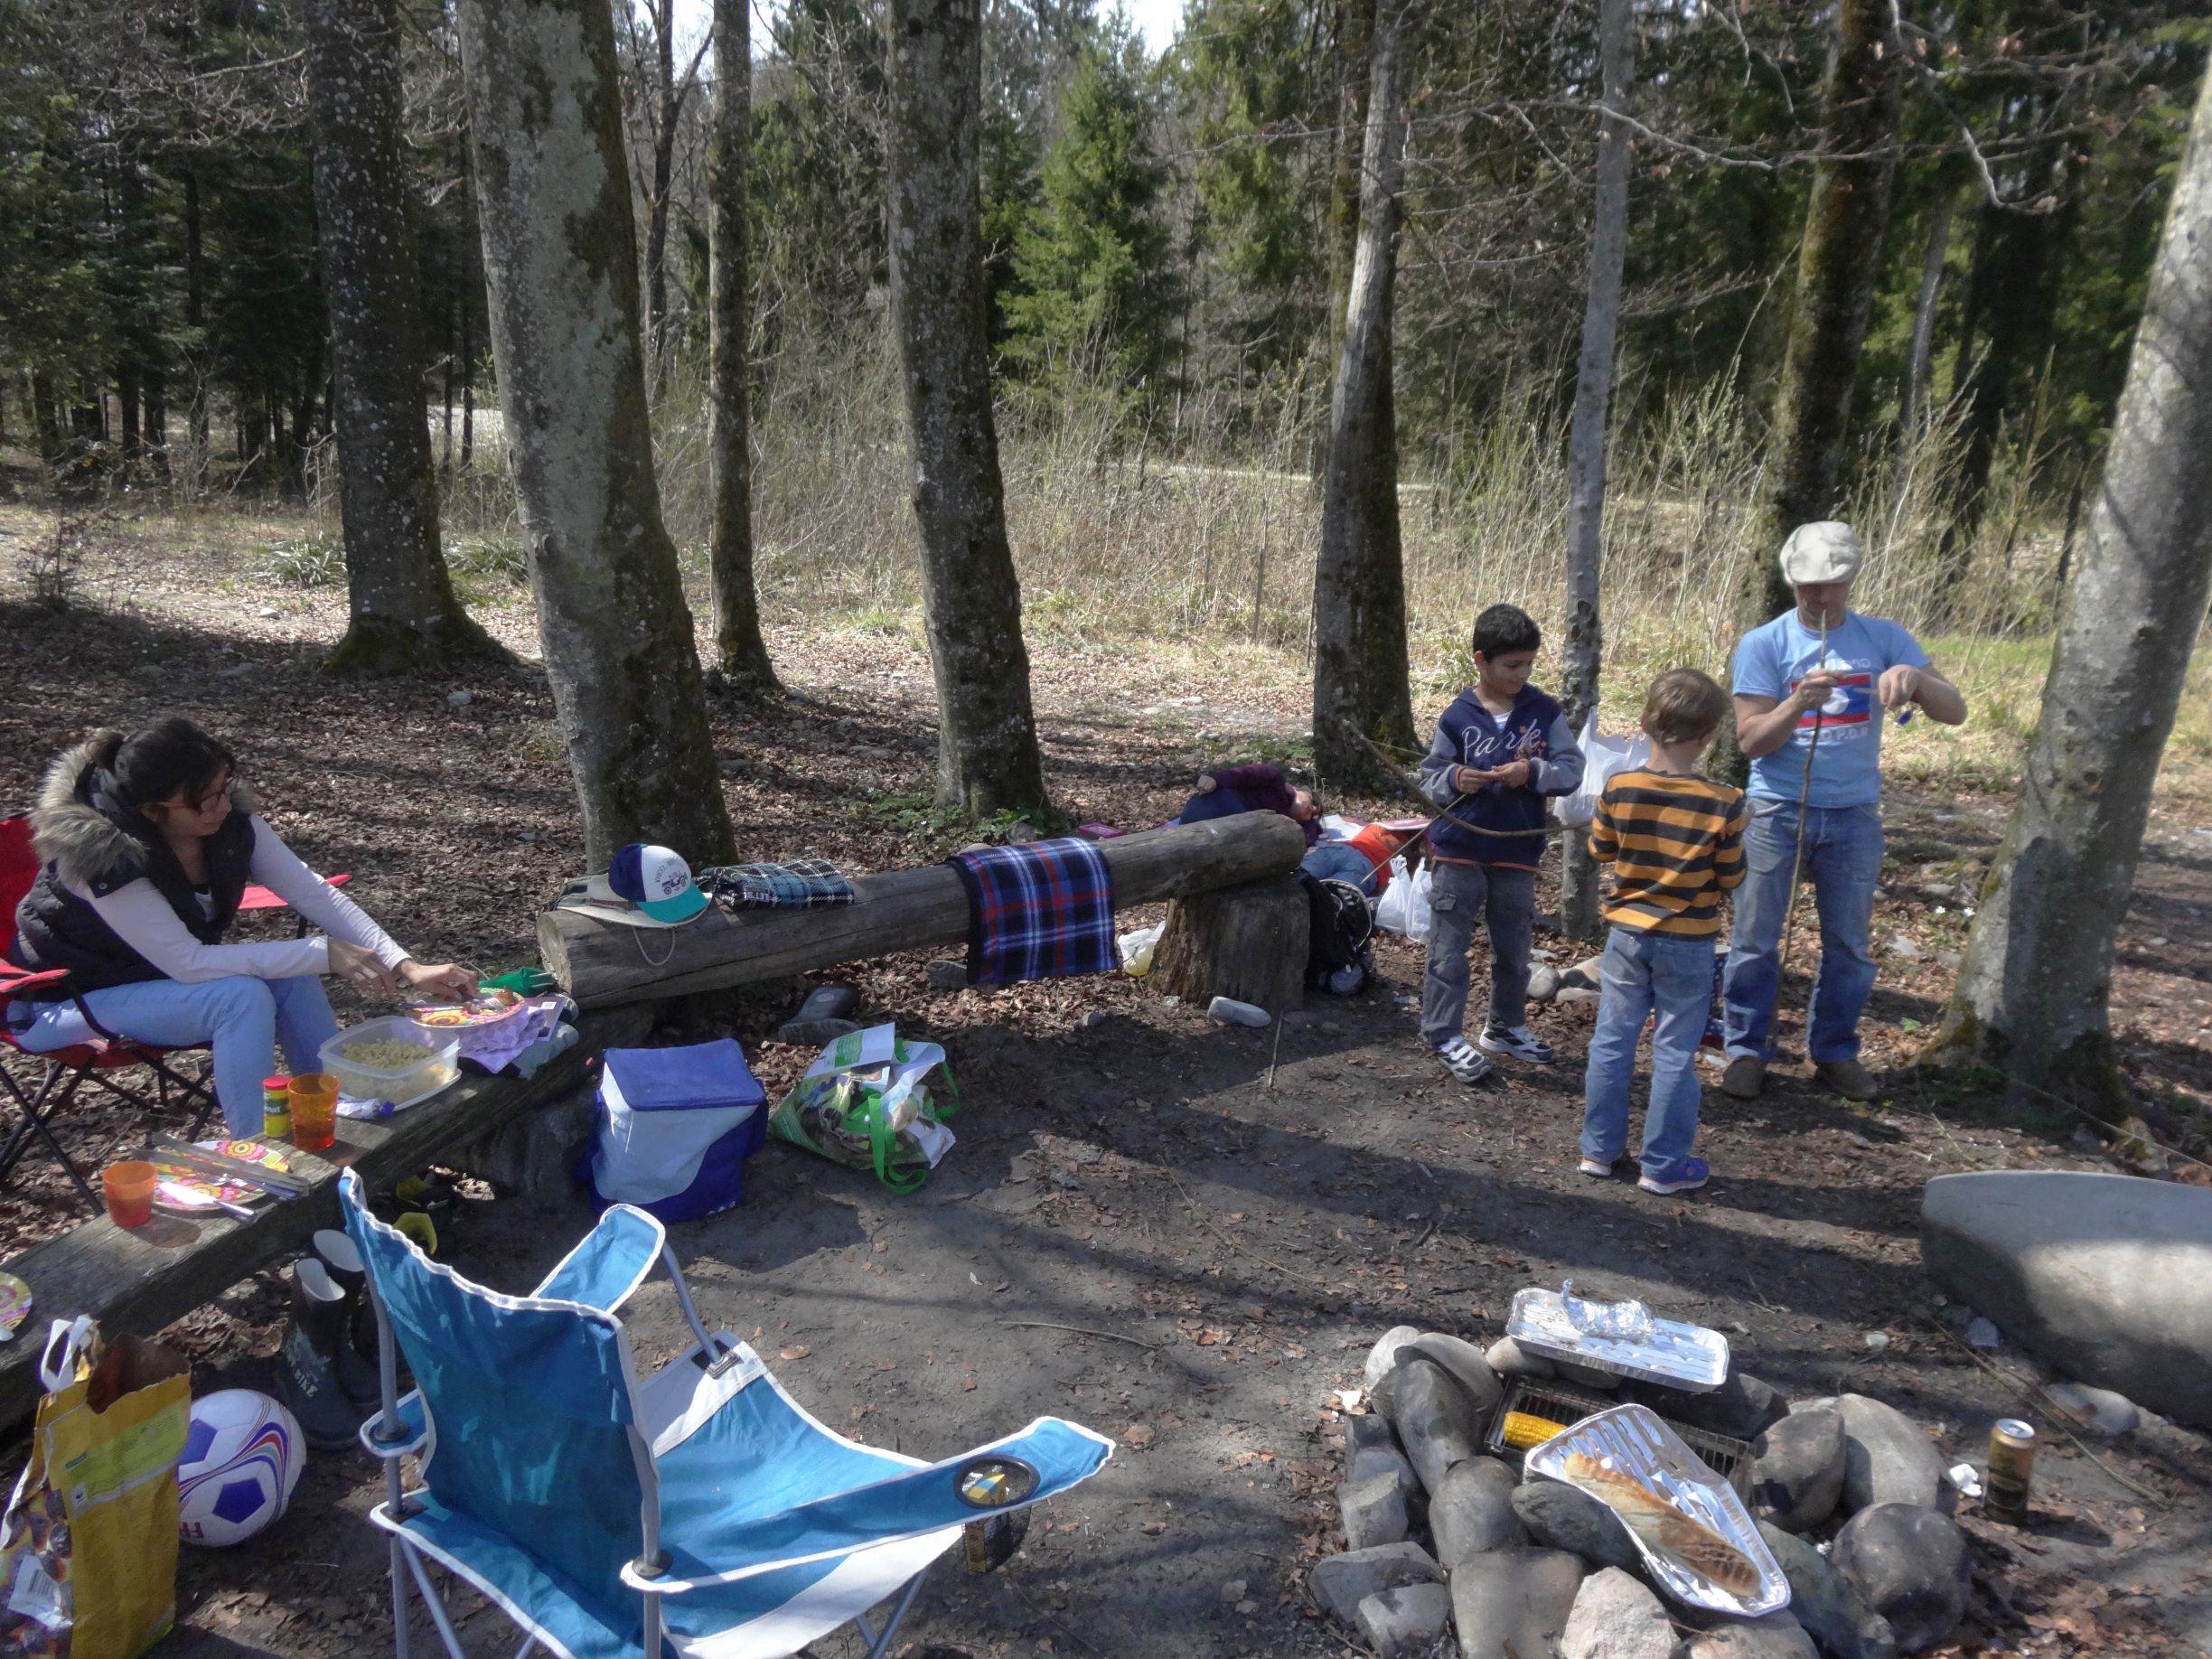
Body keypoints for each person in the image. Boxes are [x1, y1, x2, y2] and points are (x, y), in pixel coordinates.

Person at [7, 720, 475, 1136]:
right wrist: (323, 951)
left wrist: (407, 965)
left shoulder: (227, 820)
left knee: (288, 974)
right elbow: (188, 963)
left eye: (225, 787)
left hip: (157, 982)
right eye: (206, 799)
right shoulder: (98, 856)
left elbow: (314, 893)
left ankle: (335, 1106)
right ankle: (258, 1148)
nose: (223, 805)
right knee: (240, 996)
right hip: (61, 1001)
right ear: (154, 810)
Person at [1721, 523, 1967, 1101]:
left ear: (1853, 578)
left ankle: (1833, 1052)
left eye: (1832, 584)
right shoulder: (1765, 644)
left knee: (1850, 945)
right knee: (1756, 938)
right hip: (1776, 808)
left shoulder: (1883, 637)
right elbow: (1750, 742)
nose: (1821, 597)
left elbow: (1954, 712)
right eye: (1809, 585)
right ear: (1792, 582)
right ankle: (1745, 1051)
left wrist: (1917, 681)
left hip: (1853, 813)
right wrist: (1796, 702)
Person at [1579, 670, 1747, 1195]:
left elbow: (1599, 851)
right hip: (1689, 942)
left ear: (1646, 723)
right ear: (1707, 738)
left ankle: (1599, 1152)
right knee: (1674, 1049)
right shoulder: (1725, 800)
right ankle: (1662, 1164)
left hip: (1626, 937)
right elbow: (1731, 876)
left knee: (1612, 1039)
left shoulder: (1620, 787)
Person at [1417, 604, 1585, 1083]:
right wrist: (1455, 778)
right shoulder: (1457, 715)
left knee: (1513, 949)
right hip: (1458, 848)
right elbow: (1429, 778)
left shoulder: (1543, 711)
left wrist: (1531, 772)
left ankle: (1505, 1026)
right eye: (1512, 665)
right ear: (1481, 660)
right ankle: (1444, 1032)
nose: (1522, 674)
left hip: (1517, 850)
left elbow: (1571, 771)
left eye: (1529, 664)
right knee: (1449, 950)